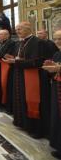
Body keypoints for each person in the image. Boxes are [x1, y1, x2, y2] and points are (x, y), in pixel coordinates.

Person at [3, 22, 49, 138]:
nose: (17, 31)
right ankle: (21, 122)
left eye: (20, 29)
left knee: (32, 101)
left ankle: (34, 128)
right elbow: (18, 58)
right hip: (19, 75)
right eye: (16, 29)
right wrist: (12, 59)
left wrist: (16, 62)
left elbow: (38, 62)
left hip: (34, 77)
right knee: (20, 98)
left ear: (29, 28)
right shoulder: (19, 43)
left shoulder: (38, 42)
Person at [42, 30, 61, 159]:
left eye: (60, 38)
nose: (57, 41)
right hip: (57, 87)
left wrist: (59, 68)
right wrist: (51, 68)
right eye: (56, 39)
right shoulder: (56, 53)